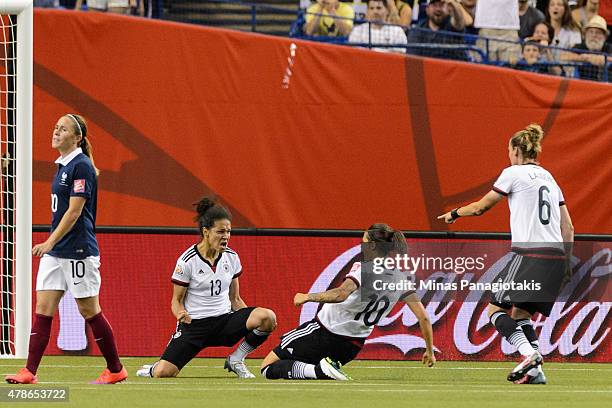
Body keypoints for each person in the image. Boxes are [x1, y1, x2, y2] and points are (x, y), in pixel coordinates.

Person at [438, 124, 574, 385]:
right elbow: (568, 226)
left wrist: (454, 213)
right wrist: (566, 265)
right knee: (521, 315)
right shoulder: (549, 178)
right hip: (556, 257)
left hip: (529, 254)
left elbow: (480, 208)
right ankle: (535, 373)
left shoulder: (513, 173)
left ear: (515, 150)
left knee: (494, 309)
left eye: (509, 150)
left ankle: (529, 354)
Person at [5, 114, 127, 385]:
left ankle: (116, 369)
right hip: (57, 252)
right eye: (55, 127)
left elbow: (74, 212)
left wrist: (49, 242)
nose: (56, 132)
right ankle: (29, 372)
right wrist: (52, 247)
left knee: (89, 310)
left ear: (78, 138)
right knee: (43, 308)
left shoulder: (81, 166)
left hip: (78, 250)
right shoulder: (62, 166)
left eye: (63, 129)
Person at [260, 223, 435, 381]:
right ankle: (322, 370)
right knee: (299, 367)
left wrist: (307, 297)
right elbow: (424, 317)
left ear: (372, 245)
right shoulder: (401, 279)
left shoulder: (364, 268)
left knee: (267, 368)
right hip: (351, 347)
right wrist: (429, 350)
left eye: (364, 240)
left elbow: (341, 293)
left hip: (324, 333)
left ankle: (320, 372)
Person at [136, 197, 277, 379]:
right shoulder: (187, 261)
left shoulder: (232, 257)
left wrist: (249, 322)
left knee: (268, 317)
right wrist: (180, 313)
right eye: (220, 232)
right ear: (206, 232)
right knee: (164, 373)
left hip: (224, 322)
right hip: (195, 327)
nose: (226, 236)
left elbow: (235, 299)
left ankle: (236, 359)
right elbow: (176, 301)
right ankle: (152, 368)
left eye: (228, 231)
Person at [562, 15, 612, 81]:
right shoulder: (580, 46)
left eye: (598, 32)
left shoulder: (609, 47)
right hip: (583, 84)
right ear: (585, 34)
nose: (594, 35)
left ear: (605, 37)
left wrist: (604, 59)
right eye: (591, 32)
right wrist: (586, 57)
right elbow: (563, 56)